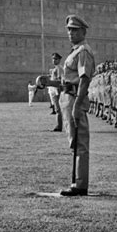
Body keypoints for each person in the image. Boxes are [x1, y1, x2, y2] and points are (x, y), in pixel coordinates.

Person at [59, 14, 95, 196]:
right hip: (69, 97)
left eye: (74, 30)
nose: (70, 33)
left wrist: (77, 106)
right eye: (68, 30)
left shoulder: (83, 52)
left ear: (82, 31)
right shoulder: (75, 51)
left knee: (80, 142)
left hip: (75, 98)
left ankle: (80, 185)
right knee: (74, 141)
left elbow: (84, 80)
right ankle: (76, 182)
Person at [48, 52, 63, 131]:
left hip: (56, 89)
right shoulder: (54, 68)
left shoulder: (59, 68)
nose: (54, 60)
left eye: (56, 59)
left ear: (59, 60)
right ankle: (58, 125)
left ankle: (59, 126)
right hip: (53, 89)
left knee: (58, 109)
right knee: (57, 108)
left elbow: (60, 80)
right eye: (53, 59)